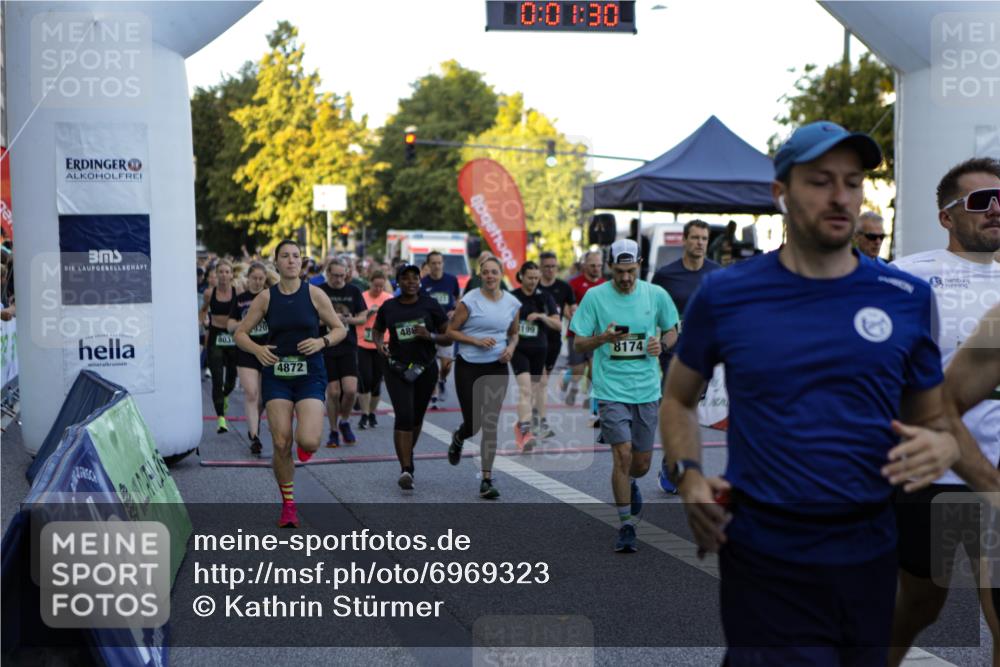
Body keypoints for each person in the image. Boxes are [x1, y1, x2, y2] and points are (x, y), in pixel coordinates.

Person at [661, 120, 993, 666]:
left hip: (868, 546)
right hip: (765, 546)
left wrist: (942, 447)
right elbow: (678, 400)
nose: (840, 197)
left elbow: (934, 418)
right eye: (819, 181)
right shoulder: (727, 292)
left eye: (853, 181)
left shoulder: (904, 296)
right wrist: (690, 473)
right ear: (781, 194)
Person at [888, 157, 1000, 666]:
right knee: (921, 602)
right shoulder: (909, 278)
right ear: (946, 216)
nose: (996, 210)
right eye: (981, 201)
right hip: (933, 475)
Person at [570, 239, 678, 552]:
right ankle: (626, 524)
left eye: (631, 271)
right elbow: (578, 343)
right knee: (622, 454)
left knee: (641, 463)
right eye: (619, 271)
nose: (626, 277)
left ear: (640, 264)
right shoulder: (595, 297)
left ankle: (632, 483)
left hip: (646, 390)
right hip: (610, 390)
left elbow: (672, 328)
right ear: (610, 268)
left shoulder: (655, 294)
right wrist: (603, 338)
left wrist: (663, 344)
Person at [235, 240, 346, 528]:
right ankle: (288, 505)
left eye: (296, 256)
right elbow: (240, 334)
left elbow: (339, 329)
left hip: (309, 373)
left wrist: (321, 341)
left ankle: (304, 448)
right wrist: (258, 350)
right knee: (281, 441)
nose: (291, 260)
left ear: (302, 261)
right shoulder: (266, 298)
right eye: (285, 256)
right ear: (277, 262)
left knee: (308, 440)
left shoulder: (315, 294)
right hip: (277, 375)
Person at [651, 219, 721, 494]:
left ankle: (675, 460)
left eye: (704, 238)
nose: (700, 243)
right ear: (685, 240)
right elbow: (650, 308)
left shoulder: (716, 273)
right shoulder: (666, 276)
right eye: (695, 238)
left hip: (702, 353)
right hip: (673, 353)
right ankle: (672, 464)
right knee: (677, 406)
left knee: (689, 408)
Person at [446, 256, 521, 499]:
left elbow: (514, 334)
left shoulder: (512, 303)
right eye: (486, 272)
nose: (490, 276)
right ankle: (459, 436)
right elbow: (451, 331)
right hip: (468, 366)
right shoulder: (469, 301)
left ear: (501, 275)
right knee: (473, 424)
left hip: (497, 367)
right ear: (480, 275)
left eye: (494, 272)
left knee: (489, 424)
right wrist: (476, 341)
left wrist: (510, 348)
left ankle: (486, 479)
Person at [372, 264, 450, 490]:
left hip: (425, 368)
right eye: (405, 279)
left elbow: (448, 337)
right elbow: (377, 330)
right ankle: (406, 468)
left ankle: (408, 453)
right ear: (398, 282)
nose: (411, 282)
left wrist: (430, 335)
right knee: (404, 416)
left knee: (416, 418)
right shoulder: (389, 307)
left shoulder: (431, 305)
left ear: (419, 281)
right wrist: (379, 345)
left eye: (415, 278)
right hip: (396, 368)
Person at [317, 258, 368, 447]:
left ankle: (344, 420)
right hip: (327, 345)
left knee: (350, 390)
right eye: (335, 275)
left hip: (347, 345)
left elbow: (363, 318)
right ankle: (333, 431)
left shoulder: (353, 290)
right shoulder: (320, 291)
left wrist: (346, 319)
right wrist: (331, 320)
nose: (339, 279)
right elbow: (312, 320)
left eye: (342, 275)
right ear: (328, 273)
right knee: (333, 391)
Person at [510, 261, 561, 451]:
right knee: (525, 390)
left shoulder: (544, 297)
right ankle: (526, 431)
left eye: (536, 278)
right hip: (519, 349)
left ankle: (522, 425)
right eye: (529, 277)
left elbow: (558, 325)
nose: (533, 281)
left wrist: (541, 316)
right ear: (521, 276)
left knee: (533, 390)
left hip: (540, 350)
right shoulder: (512, 297)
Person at [226, 262, 272, 457]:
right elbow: (229, 326)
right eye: (255, 278)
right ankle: (254, 437)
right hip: (246, 350)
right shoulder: (241, 299)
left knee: (262, 398)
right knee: (251, 393)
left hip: (267, 349)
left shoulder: (271, 297)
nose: (258, 282)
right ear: (248, 278)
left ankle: (255, 425)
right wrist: (246, 324)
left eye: (262, 279)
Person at [535, 251, 576, 438]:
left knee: (542, 383)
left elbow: (572, 310)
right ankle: (539, 421)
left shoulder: (564, 288)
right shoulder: (533, 286)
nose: (550, 270)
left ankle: (536, 417)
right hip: (534, 340)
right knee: (541, 382)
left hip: (554, 341)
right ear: (540, 267)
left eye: (553, 266)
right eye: (546, 266)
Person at [564, 251, 605, 410]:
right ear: (585, 266)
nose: (596, 269)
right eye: (593, 265)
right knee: (578, 370)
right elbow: (565, 306)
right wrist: (568, 312)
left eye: (599, 266)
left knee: (594, 369)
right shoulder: (574, 284)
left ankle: (591, 401)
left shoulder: (604, 284)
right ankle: (571, 386)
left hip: (597, 335)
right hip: (576, 333)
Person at [200, 259, 238, 433]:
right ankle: (221, 419)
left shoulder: (239, 291)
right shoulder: (209, 293)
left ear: (232, 274)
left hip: (233, 338)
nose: (223, 275)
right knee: (217, 378)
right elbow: (203, 309)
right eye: (220, 272)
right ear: (216, 274)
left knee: (231, 378)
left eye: (226, 272)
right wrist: (202, 322)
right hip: (215, 336)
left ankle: (224, 396)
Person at [421, 250, 461, 406]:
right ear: (428, 265)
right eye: (433, 263)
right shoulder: (423, 283)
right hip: (429, 329)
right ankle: (434, 391)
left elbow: (458, 299)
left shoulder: (451, 280)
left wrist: (455, 310)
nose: (437, 266)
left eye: (439, 263)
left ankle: (442, 379)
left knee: (446, 364)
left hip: (447, 329)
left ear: (443, 263)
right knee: (431, 364)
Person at [356, 270, 392, 430]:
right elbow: (355, 317)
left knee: (376, 382)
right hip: (363, 343)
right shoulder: (362, 297)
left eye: (381, 286)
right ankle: (364, 414)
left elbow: (393, 321)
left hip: (381, 344)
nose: (378, 289)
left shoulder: (388, 299)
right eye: (375, 285)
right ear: (369, 282)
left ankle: (371, 413)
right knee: (365, 379)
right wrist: (368, 313)